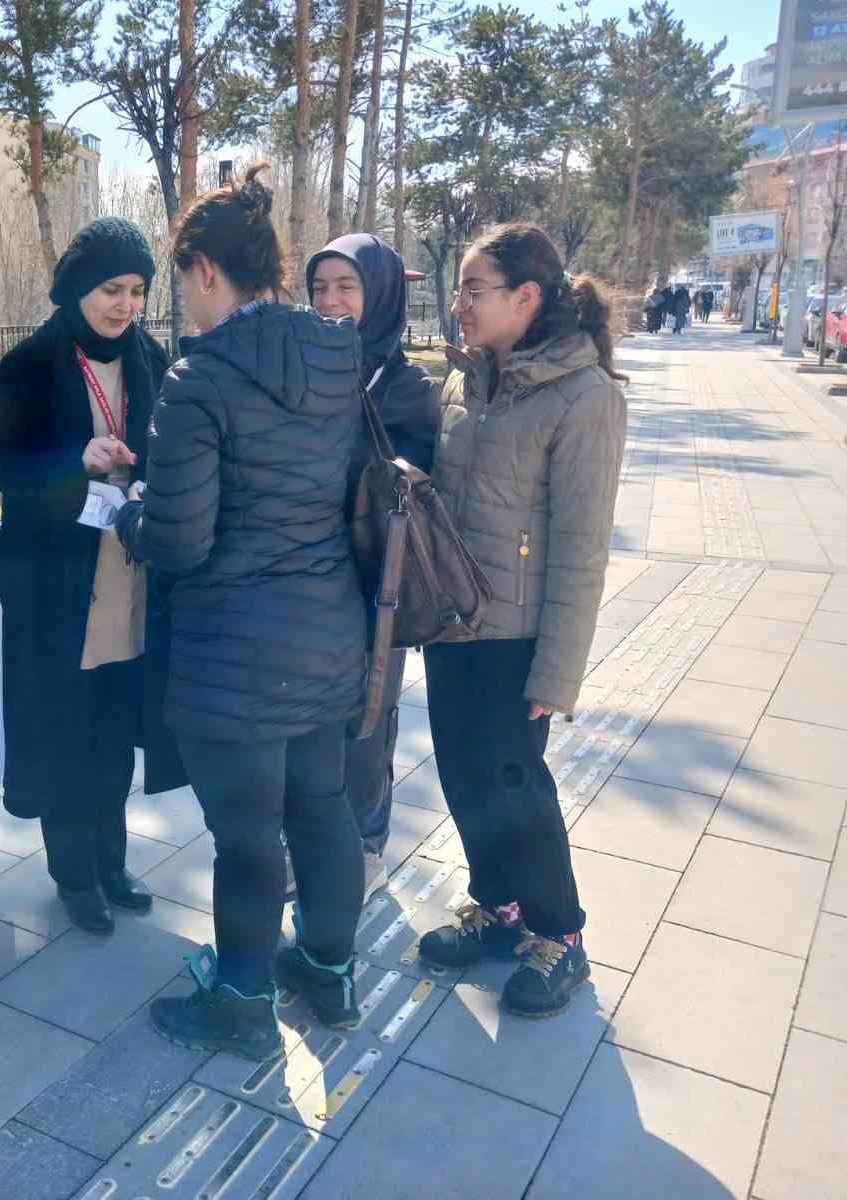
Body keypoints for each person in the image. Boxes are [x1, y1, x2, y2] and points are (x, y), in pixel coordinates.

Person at [114, 165, 368, 1060]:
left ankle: (242, 998)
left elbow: (180, 539)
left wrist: (129, 506)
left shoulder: (199, 382)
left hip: (236, 655)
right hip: (330, 632)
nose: (181, 301)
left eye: (181, 281)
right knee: (325, 809)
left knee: (249, 835)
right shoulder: (341, 355)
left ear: (206, 272)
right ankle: (332, 974)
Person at [420, 223, 626, 1018]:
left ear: (526, 297)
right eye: (461, 289)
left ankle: (559, 935)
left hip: (517, 638)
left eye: (475, 290)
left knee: (515, 787)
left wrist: (557, 672)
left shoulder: (585, 397)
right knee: (464, 776)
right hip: (452, 621)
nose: (459, 304)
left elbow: (582, 548)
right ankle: (500, 911)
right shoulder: (468, 381)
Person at [0, 217, 170, 935]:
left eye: (137, 290)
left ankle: (112, 861)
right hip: (57, 582)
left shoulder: (152, 356)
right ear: (76, 289)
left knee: (115, 728)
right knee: (68, 730)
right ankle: (74, 873)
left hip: (127, 572)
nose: (124, 305)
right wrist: (73, 462)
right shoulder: (30, 363)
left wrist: (145, 477)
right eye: (111, 289)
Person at [305, 234, 441, 901]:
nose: (330, 302)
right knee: (308, 722)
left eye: (347, 288)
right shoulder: (302, 368)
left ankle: (363, 846)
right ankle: (309, 843)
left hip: (374, 587)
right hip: (305, 578)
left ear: (380, 294)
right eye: (320, 287)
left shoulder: (408, 386)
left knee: (367, 718)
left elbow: (411, 487)